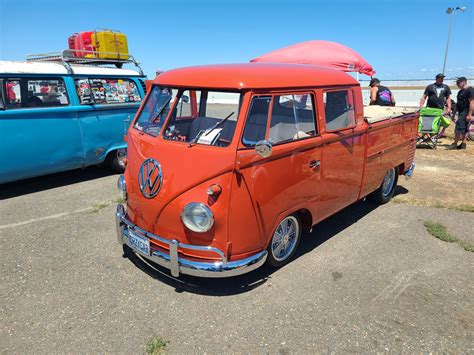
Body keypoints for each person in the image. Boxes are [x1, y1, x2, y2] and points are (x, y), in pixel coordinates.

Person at [447, 77, 473, 150]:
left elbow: (472, 102)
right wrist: (454, 114)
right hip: (461, 112)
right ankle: (463, 144)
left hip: (466, 111)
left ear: (464, 82)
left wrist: (469, 114)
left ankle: (454, 144)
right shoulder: (460, 91)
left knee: (458, 127)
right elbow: (458, 104)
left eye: (458, 83)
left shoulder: (470, 90)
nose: (457, 84)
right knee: (463, 128)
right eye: (456, 83)